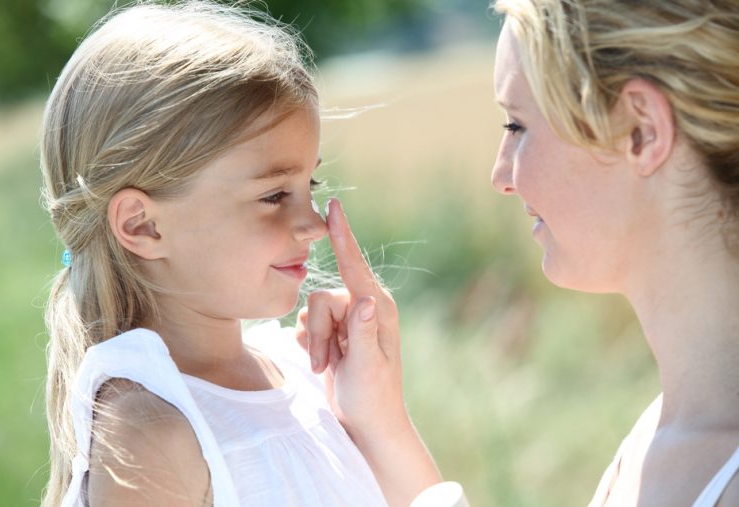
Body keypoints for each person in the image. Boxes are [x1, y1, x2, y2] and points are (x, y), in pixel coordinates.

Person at [297, 1, 739, 505]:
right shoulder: (661, 433)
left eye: (516, 126)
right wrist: (381, 426)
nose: (500, 175)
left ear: (642, 131)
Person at [39, 2, 439, 506]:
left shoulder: (305, 380)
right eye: (274, 196)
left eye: (309, 184)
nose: (315, 224)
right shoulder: (152, 433)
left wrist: (381, 421)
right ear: (142, 225)